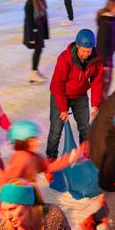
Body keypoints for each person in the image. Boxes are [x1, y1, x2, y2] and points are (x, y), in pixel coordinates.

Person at [48, 29, 106, 158]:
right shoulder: (65, 59)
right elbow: (58, 85)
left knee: (85, 127)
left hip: (80, 95)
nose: (86, 54)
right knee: (56, 130)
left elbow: (97, 81)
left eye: (89, 50)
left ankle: (86, 155)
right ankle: (51, 159)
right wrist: (63, 108)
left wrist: (95, 104)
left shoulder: (96, 59)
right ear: (78, 46)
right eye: (84, 51)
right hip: (61, 94)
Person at [24, 0, 52, 82]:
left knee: (39, 50)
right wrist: (31, 37)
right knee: (38, 50)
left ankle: (35, 71)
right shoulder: (30, 3)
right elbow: (28, 21)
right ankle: (33, 73)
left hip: (39, 29)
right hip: (34, 32)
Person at [94, 0, 115, 69]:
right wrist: (103, 62)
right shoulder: (105, 22)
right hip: (104, 57)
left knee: (107, 79)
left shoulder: (112, 19)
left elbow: (113, 38)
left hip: (108, 55)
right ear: (112, 8)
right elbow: (102, 42)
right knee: (104, 79)